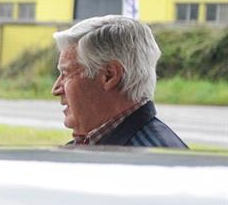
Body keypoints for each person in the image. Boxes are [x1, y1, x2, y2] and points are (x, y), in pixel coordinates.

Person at [52, 15, 186, 148]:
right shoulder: (98, 146)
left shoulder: (148, 157)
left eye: (66, 73)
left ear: (109, 75)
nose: (56, 89)